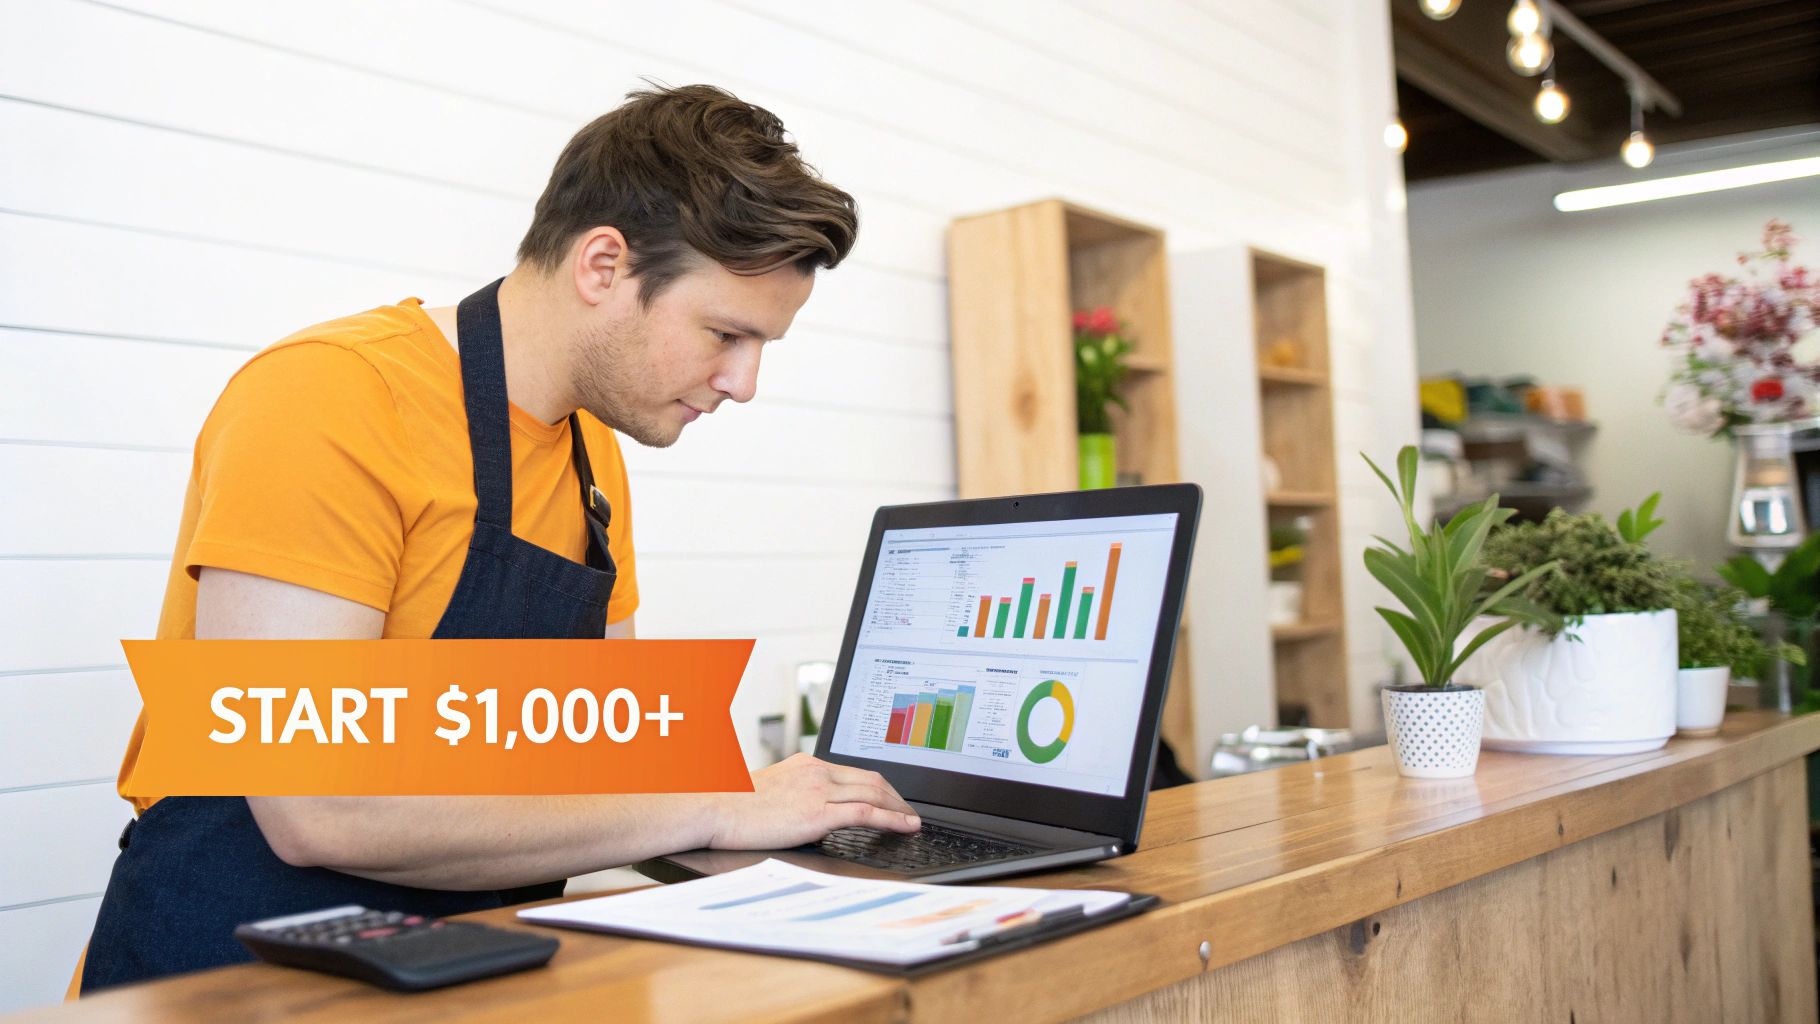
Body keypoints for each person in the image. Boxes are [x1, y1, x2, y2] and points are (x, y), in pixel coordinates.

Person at [79, 83, 920, 992]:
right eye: (725, 333)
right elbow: (319, 808)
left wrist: (853, 853)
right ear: (603, 265)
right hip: (231, 973)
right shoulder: (330, 399)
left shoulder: (593, 456)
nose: (744, 382)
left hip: (459, 973)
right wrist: (718, 803)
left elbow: (620, 762)